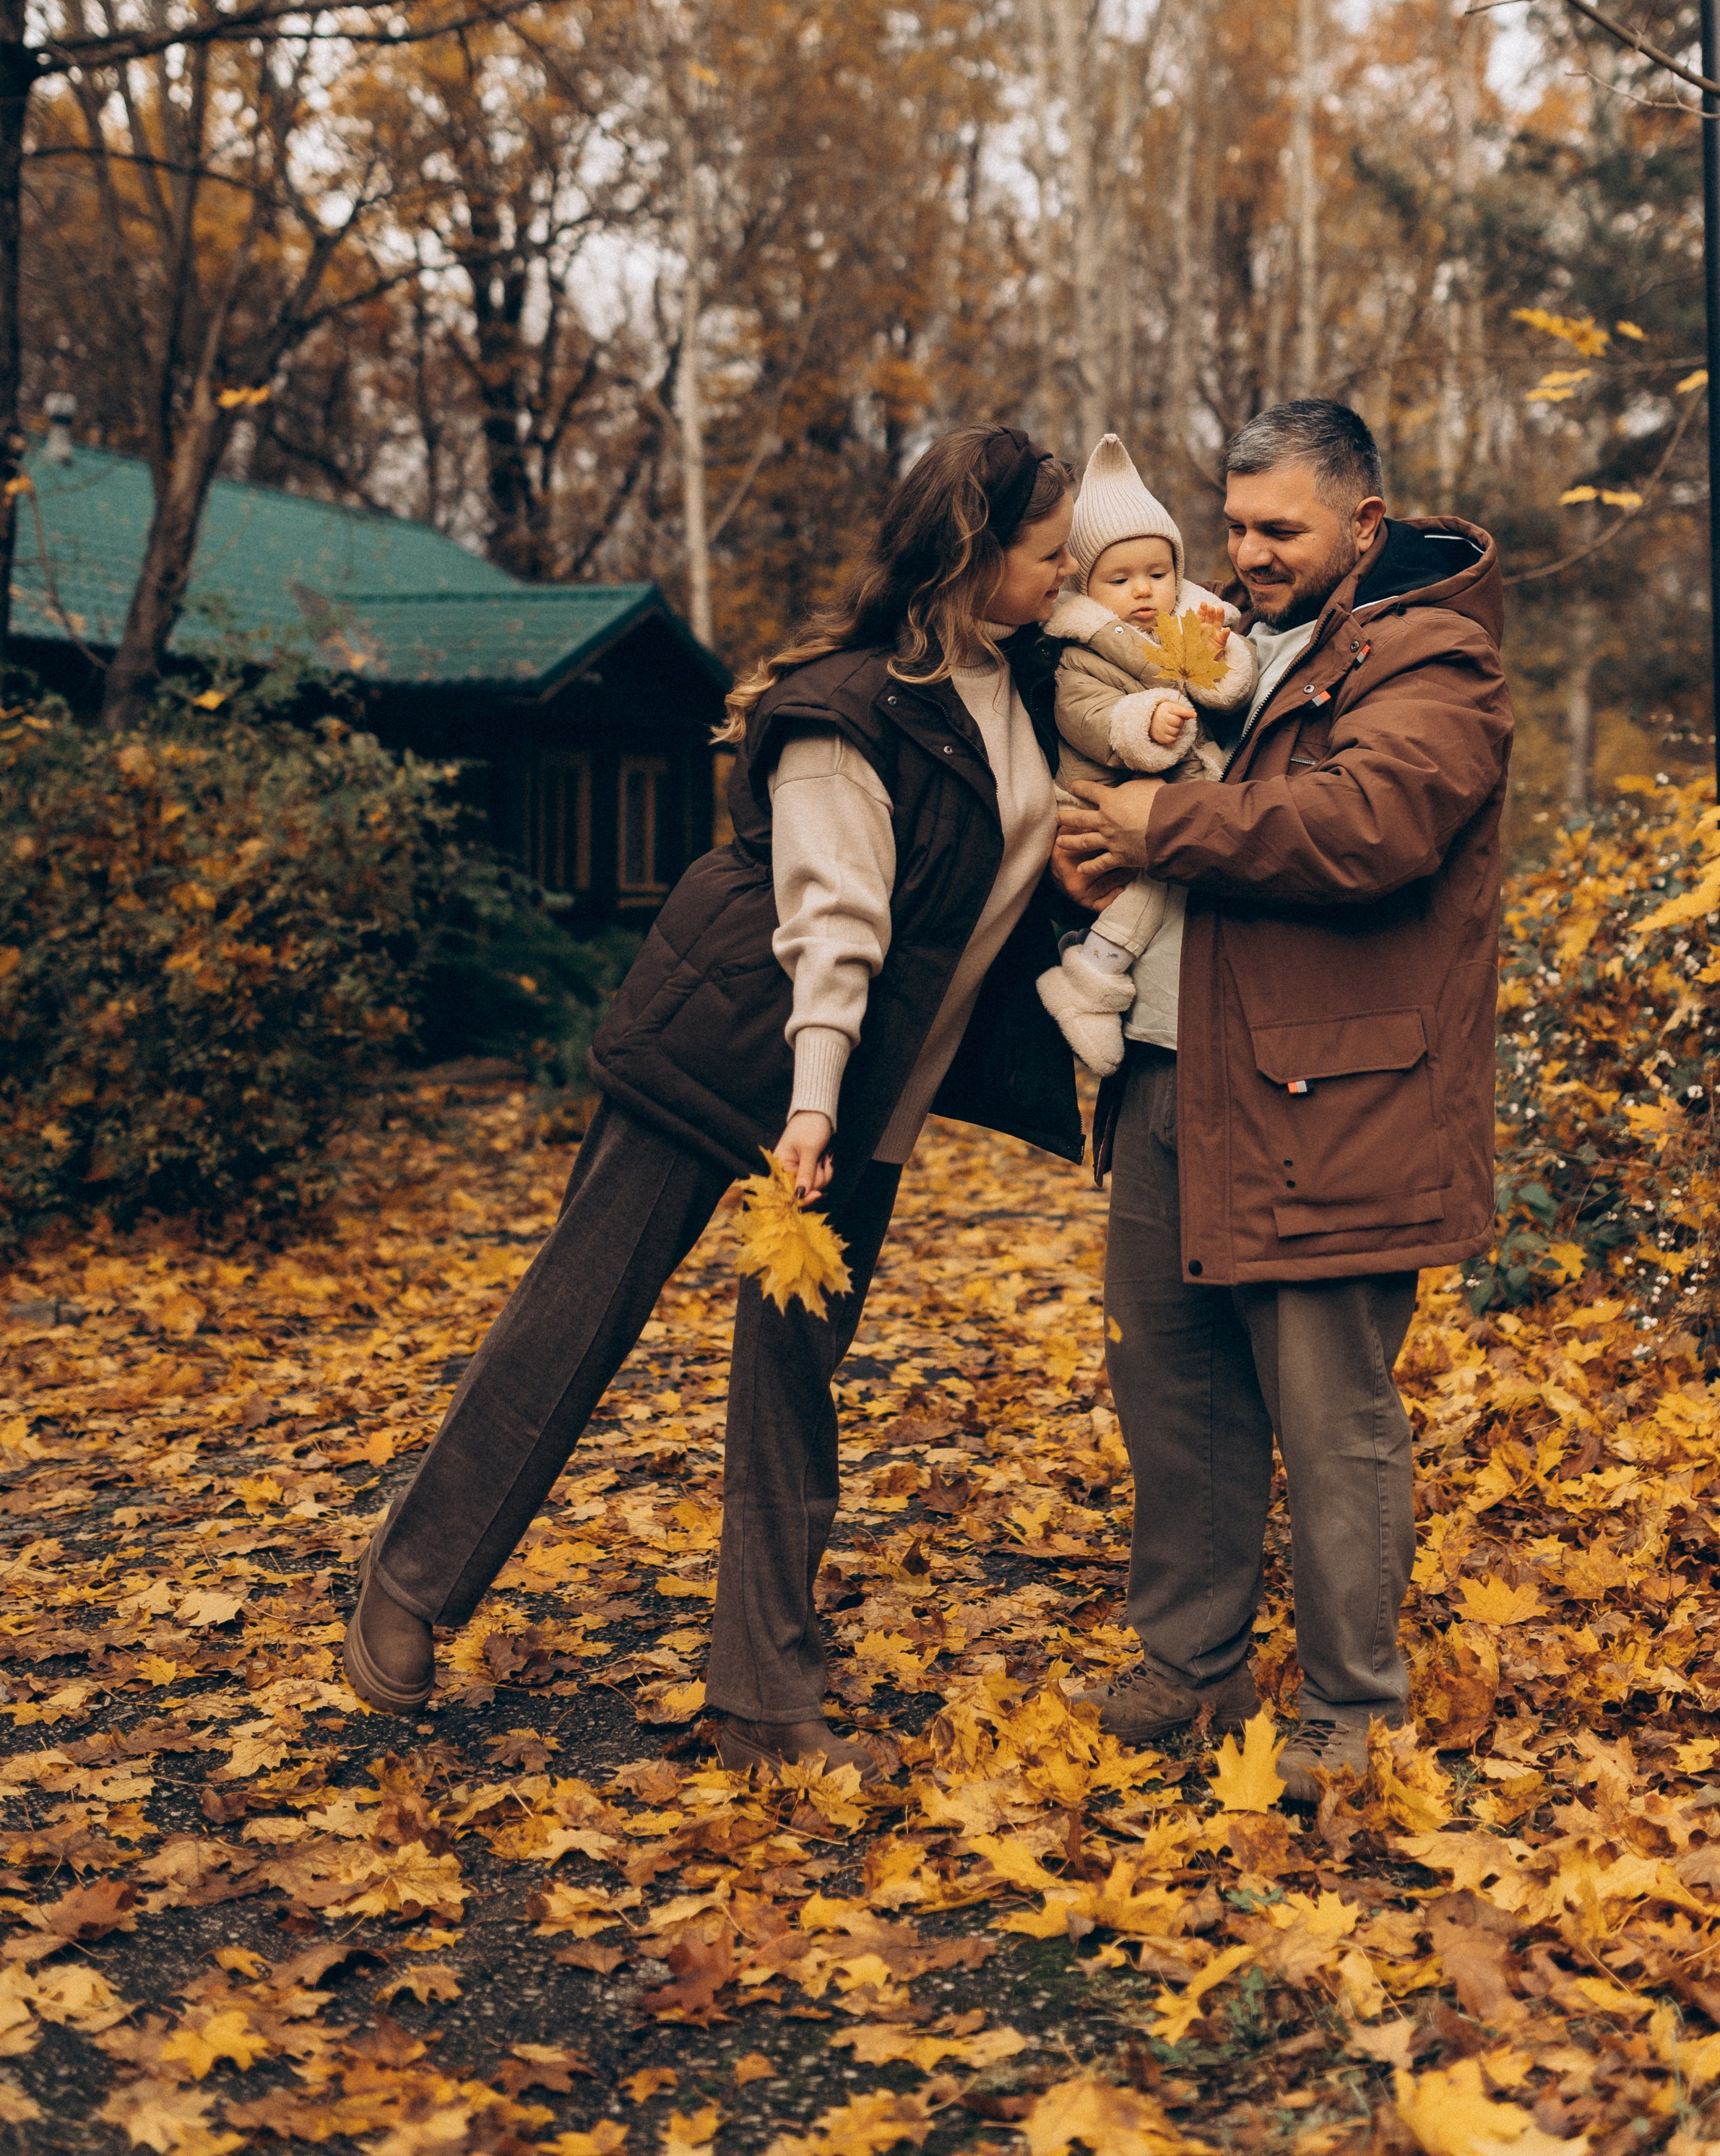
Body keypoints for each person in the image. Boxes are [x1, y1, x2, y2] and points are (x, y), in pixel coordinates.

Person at [341, 427, 1084, 1772]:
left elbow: (1129, 627)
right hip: (743, 1046)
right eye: (1048, 553)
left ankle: (763, 1699)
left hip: (860, 1101)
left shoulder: (1020, 678)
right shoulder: (845, 708)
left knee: (795, 1380)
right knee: (576, 1317)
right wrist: (809, 1104)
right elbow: (835, 925)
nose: (1069, 571)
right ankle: (410, 1578)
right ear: (978, 559)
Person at [1056, 399, 1511, 1796]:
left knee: (1331, 1412)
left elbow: (1368, 822)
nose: (1245, 551)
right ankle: (1188, 1661)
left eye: (1279, 529)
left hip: (1337, 1095)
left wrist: (1158, 823)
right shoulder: (1234, 647)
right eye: (1236, 523)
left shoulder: (1434, 655)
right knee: (1172, 1382)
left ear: (1363, 525)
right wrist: (1100, 855)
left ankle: (1349, 1707)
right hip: (1176, 1069)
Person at [1036, 436, 1256, 1076]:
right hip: (1094, 790)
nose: (1143, 592)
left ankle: (1092, 977)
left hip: (1171, 797)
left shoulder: (1193, 621)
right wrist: (1143, 721)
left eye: (1158, 575)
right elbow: (1083, 716)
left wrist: (1217, 657)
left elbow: (1227, 685)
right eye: (1120, 578)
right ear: (1085, 581)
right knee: (1154, 884)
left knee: (1173, 876)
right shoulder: (1080, 648)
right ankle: (1090, 978)